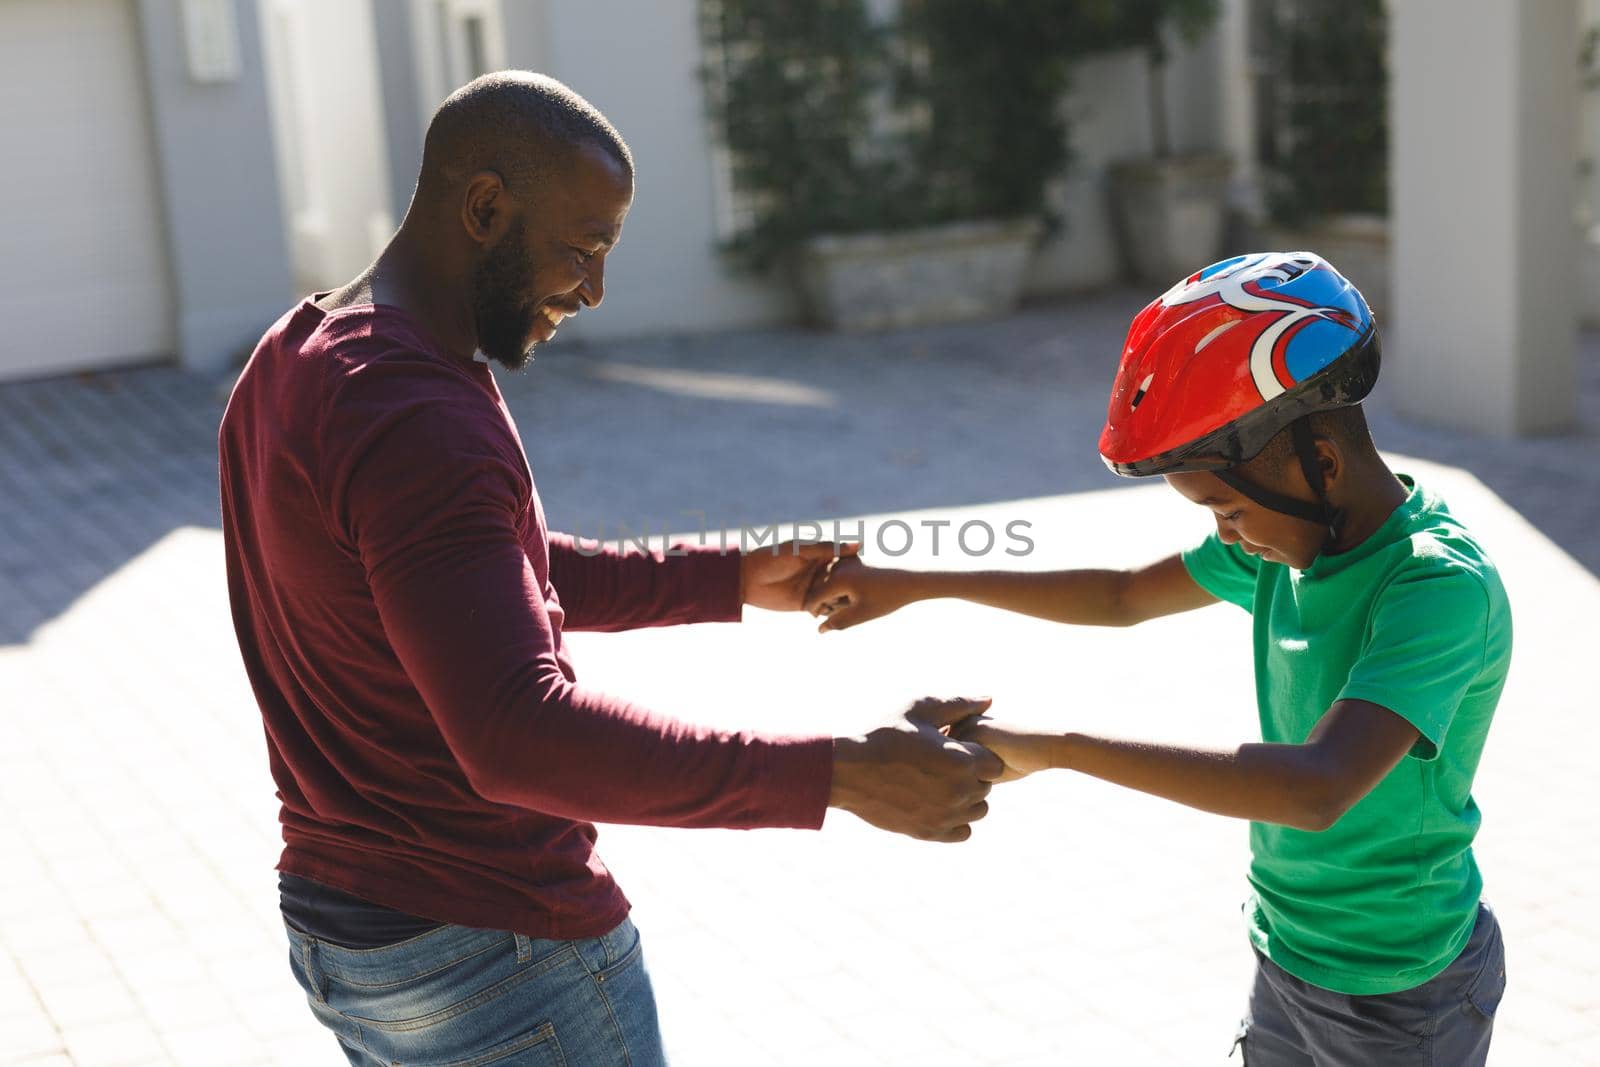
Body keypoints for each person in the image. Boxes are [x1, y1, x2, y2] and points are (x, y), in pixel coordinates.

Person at [218, 71, 1000, 1066]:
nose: (592, 290)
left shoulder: (299, 354)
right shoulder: (421, 416)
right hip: (495, 953)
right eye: (582, 248)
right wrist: (841, 775)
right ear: (487, 206)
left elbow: (463, 578)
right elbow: (515, 732)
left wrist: (725, 577)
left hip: (352, 931)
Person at [807, 252, 1511, 1065]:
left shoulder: (1433, 586)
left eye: (1226, 507)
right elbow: (1119, 595)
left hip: (1401, 989)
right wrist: (917, 582)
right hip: (1289, 949)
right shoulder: (1292, 545)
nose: (1224, 536)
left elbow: (1317, 788)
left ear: (1321, 465)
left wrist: (1058, 748)